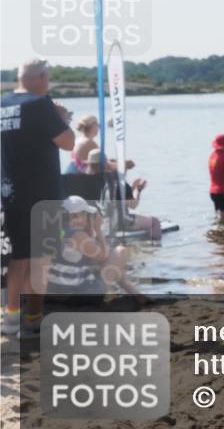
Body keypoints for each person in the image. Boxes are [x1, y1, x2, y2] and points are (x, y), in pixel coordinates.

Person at [1, 59, 74, 337]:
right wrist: (62, 118)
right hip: (43, 194)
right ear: (42, 78)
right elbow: (68, 142)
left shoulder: (3, 103)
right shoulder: (40, 105)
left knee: (18, 259)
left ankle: (10, 320)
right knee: (40, 261)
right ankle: (32, 318)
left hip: (10, 192)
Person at [46, 195, 144, 298]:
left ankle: (135, 293)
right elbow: (104, 256)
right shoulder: (78, 236)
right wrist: (98, 229)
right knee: (120, 251)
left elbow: (90, 260)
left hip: (53, 292)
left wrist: (88, 231)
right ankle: (135, 294)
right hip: (75, 295)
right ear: (79, 216)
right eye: (87, 215)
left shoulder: (56, 231)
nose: (89, 218)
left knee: (102, 264)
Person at [83, 151, 161, 239]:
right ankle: (154, 247)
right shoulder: (115, 181)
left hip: (101, 223)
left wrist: (131, 188)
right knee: (155, 222)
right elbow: (133, 205)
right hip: (121, 221)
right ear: (106, 164)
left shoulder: (87, 181)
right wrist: (138, 190)